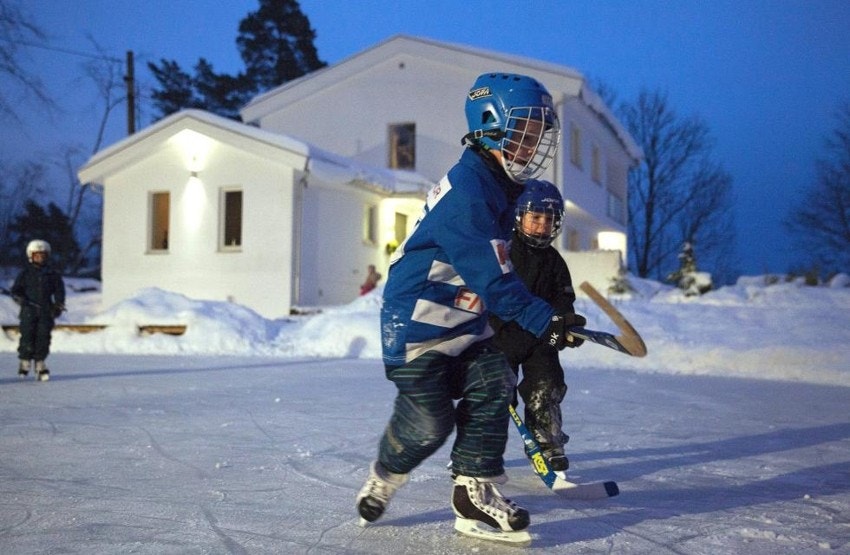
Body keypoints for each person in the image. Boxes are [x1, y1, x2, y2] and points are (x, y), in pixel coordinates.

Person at [355, 72, 586, 544]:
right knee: (430, 422)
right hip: (417, 323)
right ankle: (385, 473)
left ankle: (472, 493)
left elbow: (506, 274)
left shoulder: (499, 186)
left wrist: (553, 317)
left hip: (465, 320)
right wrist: (546, 321)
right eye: (523, 131)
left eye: (537, 134)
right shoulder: (469, 192)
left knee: (496, 379)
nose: (532, 143)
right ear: (490, 124)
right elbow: (496, 280)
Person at [489, 180, 583, 474]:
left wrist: (563, 330)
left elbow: (561, 302)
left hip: (539, 341)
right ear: (520, 216)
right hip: (499, 338)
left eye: (549, 219)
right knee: (492, 395)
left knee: (548, 383)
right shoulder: (504, 250)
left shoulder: (555, 261)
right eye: (536, 217)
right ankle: (479, 450)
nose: (543, 225)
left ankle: (547, 442)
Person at [11, 239, 65, 382]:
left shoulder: (52, 274)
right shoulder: (25, 273)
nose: (40, 258)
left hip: (46, 311)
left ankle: (40, 363)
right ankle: (24, 361)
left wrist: (58, 304)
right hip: (29, 310)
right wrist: (19, 297)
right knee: (27, 336)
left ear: (47, 256)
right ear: (31, 256)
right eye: (37, 255)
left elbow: (59, 290)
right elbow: (16, 289)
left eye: (43, 255)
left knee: (43, 338)